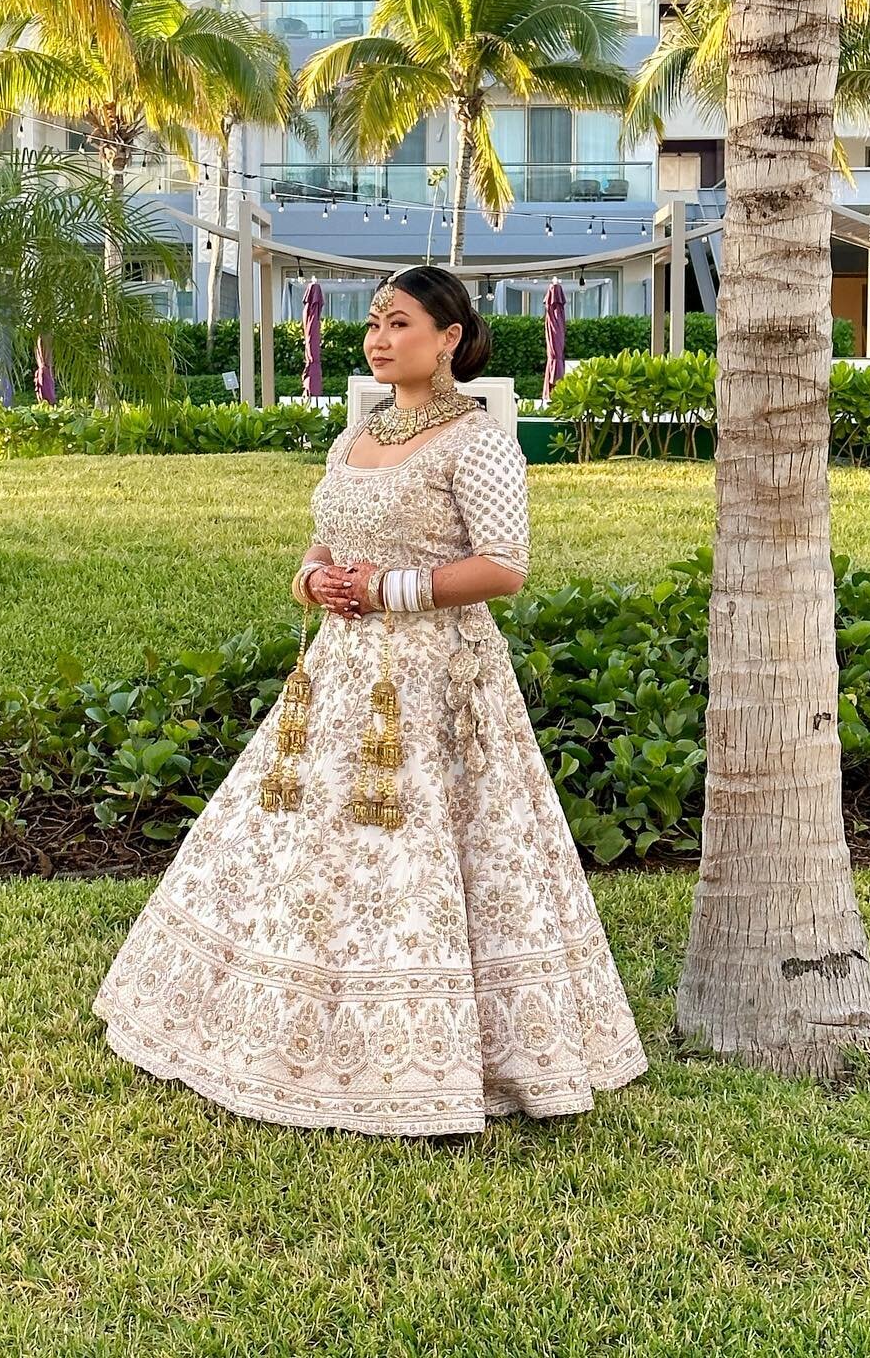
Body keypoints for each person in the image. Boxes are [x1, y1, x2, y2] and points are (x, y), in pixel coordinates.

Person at [92, 264, 648, 1136]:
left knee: (423, 855)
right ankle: (269, 1030)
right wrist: (317, 583)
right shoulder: (357, 434)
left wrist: (388, 589)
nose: (378, 339)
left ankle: (440, 1059)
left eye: (397, 323)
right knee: (304, 851)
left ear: (450, 338)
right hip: (340, 679)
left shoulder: (479, 441)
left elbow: (505, 566)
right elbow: (319, 547)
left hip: (436, 684)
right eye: (373, 325)